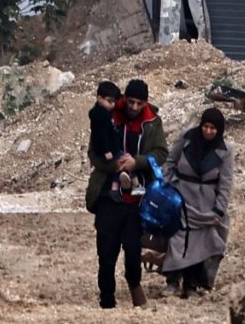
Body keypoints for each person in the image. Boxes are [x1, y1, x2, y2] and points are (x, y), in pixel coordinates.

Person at [85, 79, 168, 309]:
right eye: (130, 102)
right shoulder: (107, 115)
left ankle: (134, 284)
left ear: (145, 103)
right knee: (106, 250)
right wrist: (115, 166)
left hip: (137, 199)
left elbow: (161, 153)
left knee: (133, 249)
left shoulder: (152, 122)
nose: (133, 107)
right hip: (108, 196)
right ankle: (107, 299)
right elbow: (94, 152)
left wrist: (137, 162)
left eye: (139, 103)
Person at [161, 108, 234, 297]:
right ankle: (172, 281)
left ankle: (191, 285)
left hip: (205, 205)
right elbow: (170, 162)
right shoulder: (187, 139)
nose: (208, 131)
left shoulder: (225, 151)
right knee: (177, 239)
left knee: (199, 244)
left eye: (213, 128)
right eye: (205, 126)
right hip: (181, 197)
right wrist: (167, 186)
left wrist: (219, 209)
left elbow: (225, 183)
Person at [89, 81, 140, 195]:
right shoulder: (100, 116)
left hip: (112, 148)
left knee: (120, 164)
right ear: (99, 98)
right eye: (109, 101)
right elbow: (100, 136)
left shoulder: (107, 113)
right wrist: (106, 150)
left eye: (114, 102)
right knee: (126, 161)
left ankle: (115, 188)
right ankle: (135, 185)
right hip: (109, 150)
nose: (112, 104)